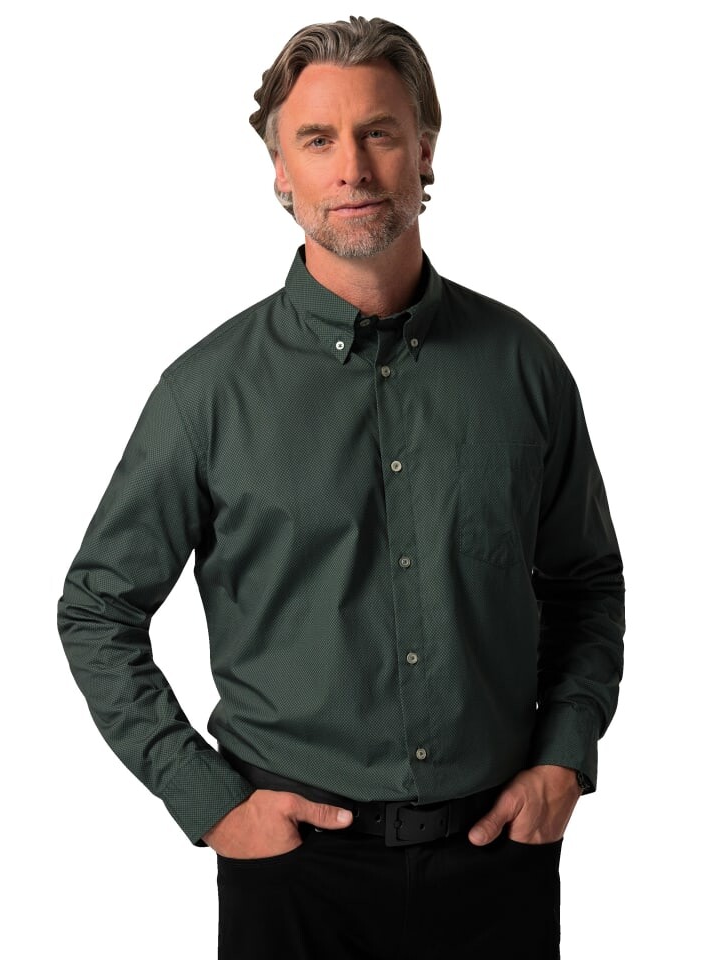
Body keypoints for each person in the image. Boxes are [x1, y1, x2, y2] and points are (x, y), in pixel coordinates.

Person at [58, 15, 625, 959]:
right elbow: (96, 609)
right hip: (294, 872)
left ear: (425, 151)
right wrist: (209, 802)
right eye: (318, 140)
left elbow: (586, 583)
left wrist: (566, 753)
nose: (353, 168)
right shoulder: (206, 394)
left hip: (498, 862)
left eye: (380, 133)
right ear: (280, 171)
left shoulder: (524, 367)